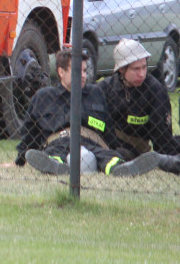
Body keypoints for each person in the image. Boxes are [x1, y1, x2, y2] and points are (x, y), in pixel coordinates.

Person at [15, 47, 159, 176]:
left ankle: (119, 169)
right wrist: (20, 160)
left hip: (92, 144)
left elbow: (108, 130)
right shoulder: (44, 97)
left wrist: (114, 149)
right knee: (54, 153)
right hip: (60, 142)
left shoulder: (96, 93)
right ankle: (56, 166)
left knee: (108, 157)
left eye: (84, 70)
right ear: (61, 72)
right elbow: (29, 132)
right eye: (78, 70)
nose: (83, 75)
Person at [96, 39, 180, 173]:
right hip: (107, 144)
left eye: (144, 67)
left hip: (136, 149)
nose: (142, 74)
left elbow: (162, 138)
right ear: (122, 69)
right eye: (136, 69)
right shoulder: (105, 89)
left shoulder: (155, 90)